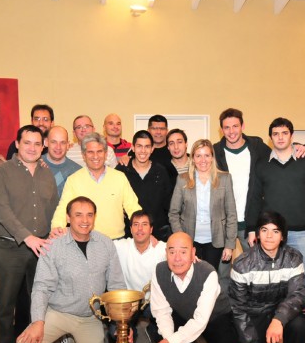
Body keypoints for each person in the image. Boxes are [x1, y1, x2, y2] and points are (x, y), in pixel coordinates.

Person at [15, 196, 126, 343]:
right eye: (78, 214)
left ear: (95, 217)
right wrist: (38, 322)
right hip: (58, 312)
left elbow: (116, 285)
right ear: (68, 218)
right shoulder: (53, 245)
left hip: (89, 317)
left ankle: (73, 342)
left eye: (89, 215)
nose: (84, 220)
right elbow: (41, 287)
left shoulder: (105, 244)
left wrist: (122, 323)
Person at [0, 125, 59, 343]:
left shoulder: (46, 173)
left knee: (36, 300)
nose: (32, 147)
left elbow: (52, 206)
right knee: (5, 303)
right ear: (17, 144)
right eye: (27, 142)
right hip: (10, 246)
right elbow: (1, 210)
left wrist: (53, 231)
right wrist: (27, 237)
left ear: (43, 147)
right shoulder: (1, 172)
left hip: (41, 247)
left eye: (37, 143)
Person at [230, 211, 305, 343]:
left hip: (279, 315)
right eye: (264, 230)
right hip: (252, 317)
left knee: (299, 325)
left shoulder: (293, 257)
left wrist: (279, 319)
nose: (269, 236)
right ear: (257, 234)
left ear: (283, 236)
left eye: (275, 231)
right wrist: (251, 342)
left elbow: (299, 294)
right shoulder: (242, 264)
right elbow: (238, 308)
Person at [151, 232, 237, 343]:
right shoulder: (159, 271)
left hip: (215, 317)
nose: (177, 258)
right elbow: (161, 311)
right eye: (172, 251)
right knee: (159, 332)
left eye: (183, 252)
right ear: (166, 253)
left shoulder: (208, 273)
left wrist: (170, 342)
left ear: (193, 253)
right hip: (182, 313)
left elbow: (200, 320)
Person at [246, 117, 305, 284]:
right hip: (271, 233)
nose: (280, 137)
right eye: (275, 134)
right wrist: (251, 228)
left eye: (284, 133)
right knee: (274, 280)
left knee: (302, 281)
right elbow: (254, 197)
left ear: (292, 135)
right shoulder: (261, 164)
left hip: (302, 233)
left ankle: (304, 311)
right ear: (271, 138)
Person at [52, 132, 141, 240]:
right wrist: (57, 227)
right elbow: (63, 208)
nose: (95, 156)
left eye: (99, 151)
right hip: (85, 241)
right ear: (83, 155)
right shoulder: (73, 180)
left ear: (106, 153)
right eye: (90, 152)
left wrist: (143, 230)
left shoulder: (120, 177)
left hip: (116, 241)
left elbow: (133, 207)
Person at [168, 139, 237, 277]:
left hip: (215, 241)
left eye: (207, 155)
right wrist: (182, 239)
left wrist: (229, 245)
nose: (203, 160)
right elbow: (173, 213)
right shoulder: (183, 179)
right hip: (190, 240)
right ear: (193, 158)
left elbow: (231, 214)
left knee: (210, 277)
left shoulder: (225, 179)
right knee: (190, 278)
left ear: (212, 157)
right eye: (198, 155)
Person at [213, 108, 271, 254]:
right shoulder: (215, 152)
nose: (231, 131)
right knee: (221, 273)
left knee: (257, 270)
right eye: (227, 127)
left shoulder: (257, 147)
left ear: (243, 126)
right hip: (223, 224)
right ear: (221, 130)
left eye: (235, 126)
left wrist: (296, 147)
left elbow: (280, 154)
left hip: (251, 223)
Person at [111, 210, 167, 343]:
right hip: (129, 304)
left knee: (167, 329)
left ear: (151, 229)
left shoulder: (162, 248)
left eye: (144, 224)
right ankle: (131, 331)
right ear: (130, 229)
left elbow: (181, 251)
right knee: (115, 333)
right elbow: (97, 242)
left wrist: (193, 258)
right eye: (136, 224)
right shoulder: (121, 246)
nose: (140, 229)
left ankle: (153, 330)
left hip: (153, 302)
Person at [115, 130, 173, 241]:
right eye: (139, 146)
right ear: (132, 147)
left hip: (158, 234)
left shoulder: (161, 171)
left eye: (147, 147)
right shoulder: (122, 170)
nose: (143, 151)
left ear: (152, 149)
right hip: (128, 234)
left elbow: (168, 203)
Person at [42, 125, 81, 198]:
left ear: (68, 145)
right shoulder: (35, 165)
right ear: (46, 142)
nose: (58, 147)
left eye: (62, 142)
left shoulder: (77, 171)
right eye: (53, 142)